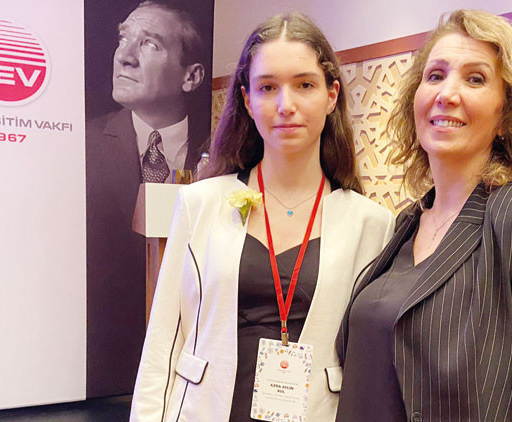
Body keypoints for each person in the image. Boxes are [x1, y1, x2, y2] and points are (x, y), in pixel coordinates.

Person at [130, 12, 394, 422]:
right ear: (247, 100)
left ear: (331, 96)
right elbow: (164, 340)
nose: (286, 105)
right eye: (268, 87)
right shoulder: (200, 203)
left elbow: (369, 363)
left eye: (304, 85)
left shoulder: (373, 224)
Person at [336, 10, 512, 422]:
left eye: (475, 79)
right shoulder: (405, 224)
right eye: (435, 76)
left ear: (506, 116)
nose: (447, 94)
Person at [84, 0, 209, 396]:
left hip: (192, 373)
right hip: (98, 377)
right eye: (123, 39)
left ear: (191, 76)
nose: (125, 56)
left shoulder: (224, 155)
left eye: (150, 44)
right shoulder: (79, 146)